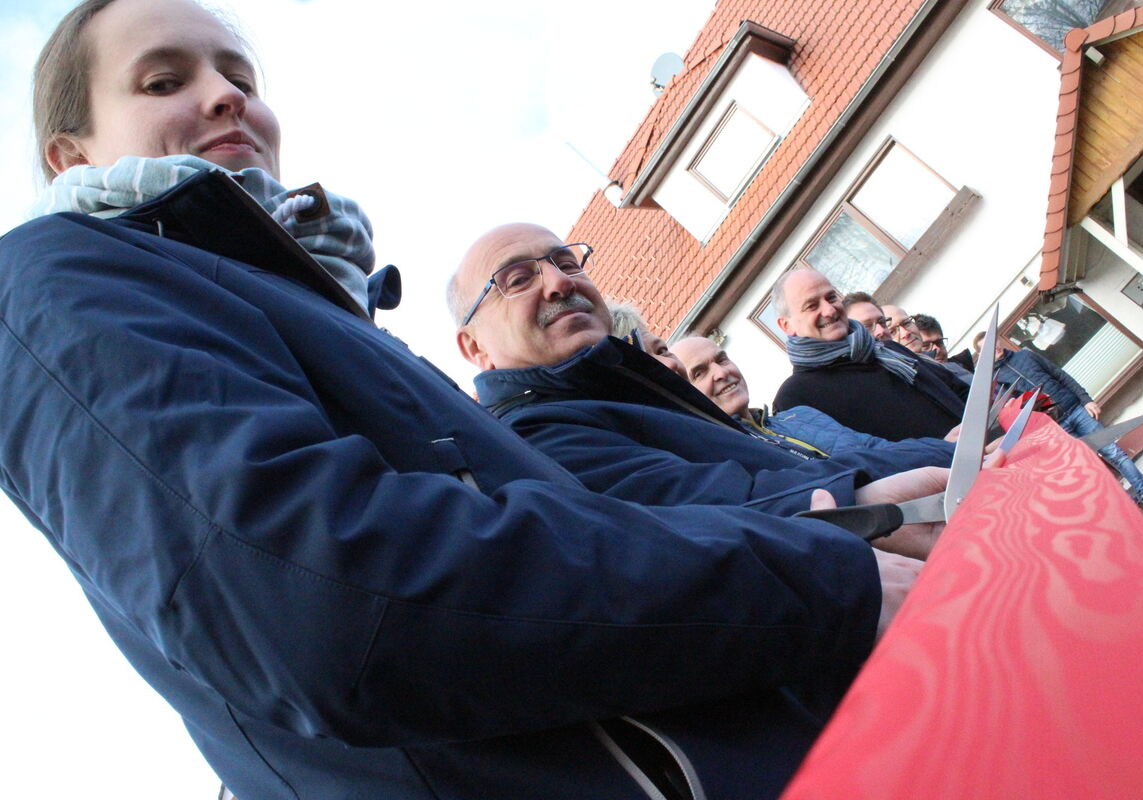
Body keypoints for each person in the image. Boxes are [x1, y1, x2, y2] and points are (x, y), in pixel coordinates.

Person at [0, 3, 922, 798]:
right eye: (164, 81)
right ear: (70, 153)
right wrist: (817, 583)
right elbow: (330, 596)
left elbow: (581, 525)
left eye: (238, 75)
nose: (225, 96)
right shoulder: (60, 275)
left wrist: (825, 525)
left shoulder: (316, 307)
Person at [453, 223, 956, 559]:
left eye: (567, 262)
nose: (559, 282)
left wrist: (947, 449)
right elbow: (738, 502)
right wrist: (882, 485)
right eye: (517, 279)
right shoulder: (537, 439)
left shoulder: (626, 391)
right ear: (474, 347)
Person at [670, 335, 955, 460]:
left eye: (721, 359)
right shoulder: (728, 458)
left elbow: (879, 450)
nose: (721, 373)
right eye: (699, 373)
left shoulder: (802, 415)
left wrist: (948, 447)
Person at [771, 269, 968, 440]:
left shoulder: (889, 350)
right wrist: (942, 449)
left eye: (831, 298)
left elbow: (957, 389)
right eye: (812, 306)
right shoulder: (795, 398)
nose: (829, 310)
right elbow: (853, 461)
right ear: (786, 325)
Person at [993, 344, 1143, 522]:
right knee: (1096, 469)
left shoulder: (1026, 355)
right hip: (1056, 426)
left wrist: (1086, 400)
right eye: (989, 348)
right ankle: (1135, 509)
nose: (996, 348)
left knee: (1115, 453)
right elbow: (1015, 413)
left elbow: (1061, 375)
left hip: (1075, 409)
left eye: (995, 343)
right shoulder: (997, 380)